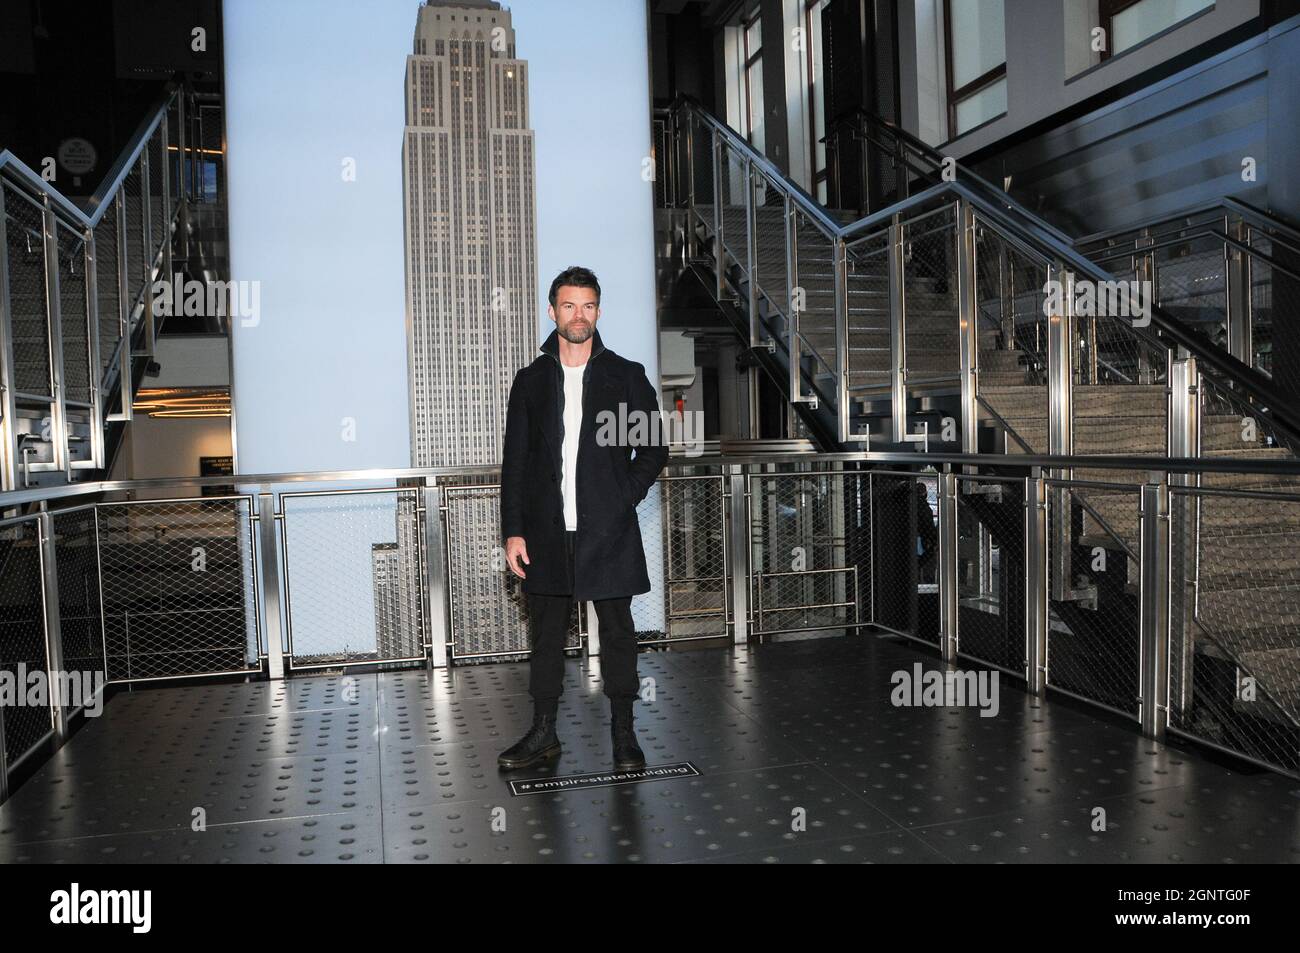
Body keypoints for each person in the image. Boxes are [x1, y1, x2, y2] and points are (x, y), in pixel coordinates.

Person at [497, 266, 669, 771]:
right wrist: (513, 531)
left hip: (607, 529)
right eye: (569, 305)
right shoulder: (531, 381)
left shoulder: (625, 375)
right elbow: (516, 463)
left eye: (588, 305)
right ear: (552, 311)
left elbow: (655, 449)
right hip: (547, 534)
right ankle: (543, 733)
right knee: (546, 637)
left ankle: (623, 733)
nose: (579, 315)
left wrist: (622, 497)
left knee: (618, 633)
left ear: (598, 310)